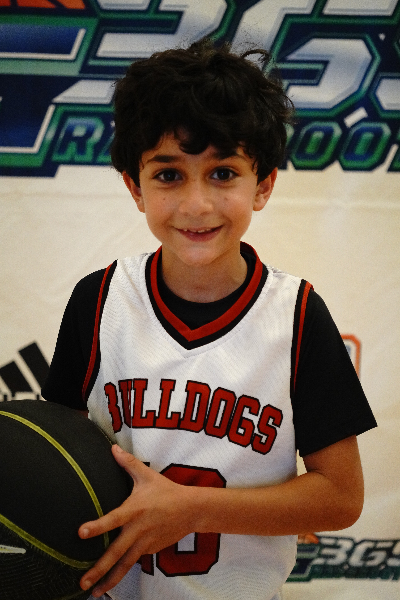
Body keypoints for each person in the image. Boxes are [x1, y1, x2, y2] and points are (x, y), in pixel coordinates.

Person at [42, 38, 377, 600]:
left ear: (263, 184)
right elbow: (56, 464)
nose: (196, 205)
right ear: (134, 187)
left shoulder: (297, 316)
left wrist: (193, 509)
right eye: (169, 176)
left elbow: (341, 498)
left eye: (222, 173)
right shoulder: (98, 301)